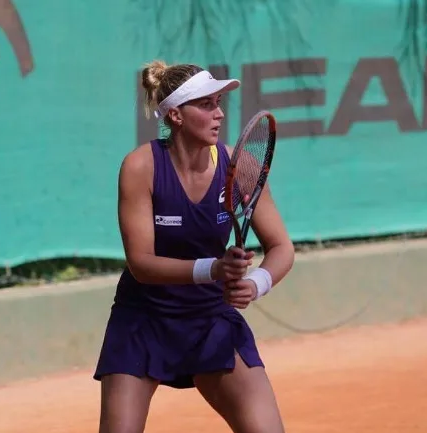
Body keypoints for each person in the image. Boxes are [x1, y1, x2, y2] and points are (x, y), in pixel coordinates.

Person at [93, 59, 295, 433]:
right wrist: (214, 269)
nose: (218, 114)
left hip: (210, 320)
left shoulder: (240, 166)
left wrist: (255, 283)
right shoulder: (141, 168)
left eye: (218, 103)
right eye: (206, 105)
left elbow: (282, 247)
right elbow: (141, 263)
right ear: (175, 115)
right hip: (144, 321)